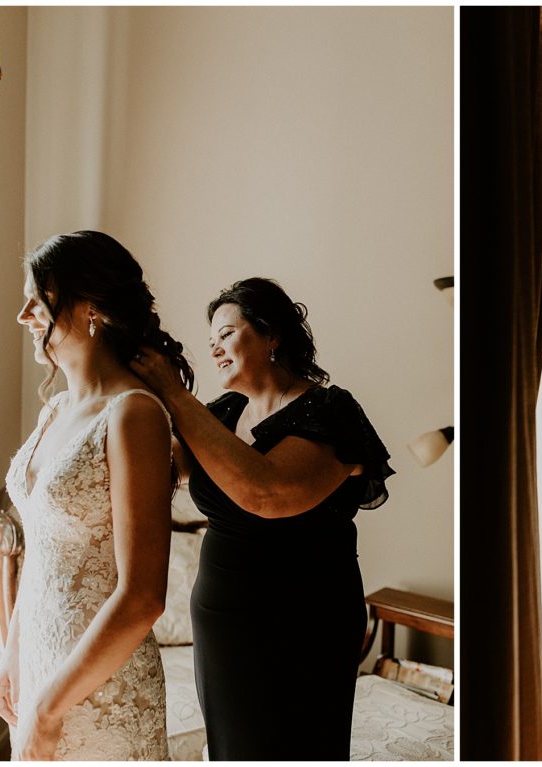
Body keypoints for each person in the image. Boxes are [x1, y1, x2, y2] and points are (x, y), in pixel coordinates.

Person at [132, 277, 394, 760]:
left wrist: (175, 393)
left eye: (227, 334)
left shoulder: (330, 409)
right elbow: (156, 469)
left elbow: (268, 492)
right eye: (210, 342)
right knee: (233, 750)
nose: (215, 350)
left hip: (306, 620)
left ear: (272, 334)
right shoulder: (220, 414)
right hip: (221, 619)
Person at [0, 230, 194, 760]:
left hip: (101, 688)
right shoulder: (55, 411)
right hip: (41, 667)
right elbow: (41, 555)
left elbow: (143, 596)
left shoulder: (133, 414)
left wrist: (50, 708)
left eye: (39, 297)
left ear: (91, 308)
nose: (23, 315)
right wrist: (10, 656)